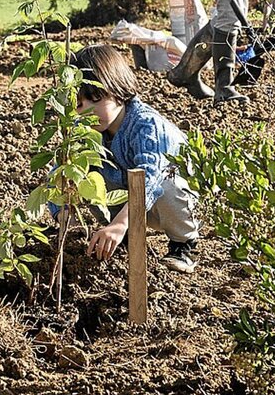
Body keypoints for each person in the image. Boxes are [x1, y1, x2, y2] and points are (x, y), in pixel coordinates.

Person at [72, 44, 200, 273]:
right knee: (86, 177)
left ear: (117, 90)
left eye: (96, 99)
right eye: (79, 105)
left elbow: (151, 178)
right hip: (131, 205)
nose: (87, 111)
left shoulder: (146, 125)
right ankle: (123, 237)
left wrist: (121, 222)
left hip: (173, 203)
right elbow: (60, 174)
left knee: (166, 182)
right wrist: (67, 222)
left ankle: (183, 245)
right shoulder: (86, 133)